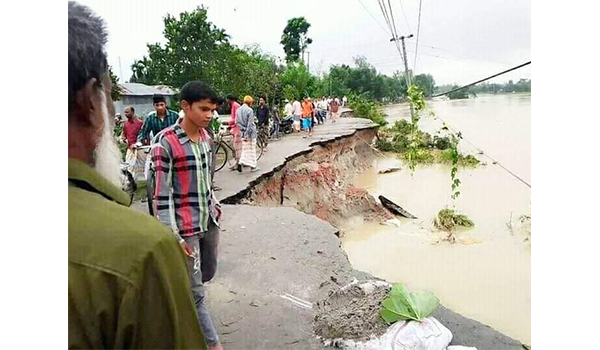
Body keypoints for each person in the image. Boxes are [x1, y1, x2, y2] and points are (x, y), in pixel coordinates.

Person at [68, 2, 206, 349]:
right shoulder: (143, 253)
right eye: (110, 95)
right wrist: (170, 233)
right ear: (90, 99)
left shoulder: (204, 139)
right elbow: (160, 192)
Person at [151, 81, 224, 350]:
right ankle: (212, 343)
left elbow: (209, 179)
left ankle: (186, 304)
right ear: (184, 106)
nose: (209, 115)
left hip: (209, 220)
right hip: (186, 228)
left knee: (207, 273)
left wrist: (215, 207)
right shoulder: (165, 144)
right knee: (197, 293)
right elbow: (161, 195)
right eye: (204, 109)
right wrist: (175, 235)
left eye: (213, 110)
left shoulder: (207, 138)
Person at [236, 95, 259, 172]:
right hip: (250, 134)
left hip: (242, 132)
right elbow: (250, 124)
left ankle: (241, 162)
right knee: (252, 149)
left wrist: (243, 131)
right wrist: (247, 134)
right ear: (250, 102)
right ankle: (253, 166)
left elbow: (237, 122)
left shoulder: (238, 110)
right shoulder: (250, 110)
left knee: (245, 149)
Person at [121, 106, 144, 178]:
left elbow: (144, 135)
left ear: (133, 112)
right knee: (128, 166)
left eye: (127, 112)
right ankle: (130, 183)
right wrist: (123, 137)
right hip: (129, 149)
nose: (125, 114)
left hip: (140, 149)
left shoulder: (140, 123)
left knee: (141, 167)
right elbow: (124, 134)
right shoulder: (125, 123)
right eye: (124, 112)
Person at [227, 94, 242, 170]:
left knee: (237, 147)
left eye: (227, 100)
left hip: (238, 129)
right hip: (235, 128)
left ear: (230, 99)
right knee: (236, 147)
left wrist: (228, 123)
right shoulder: (235, 105)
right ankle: (238, 162)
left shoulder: (235, 105)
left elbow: (236, 118)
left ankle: (238, 163)